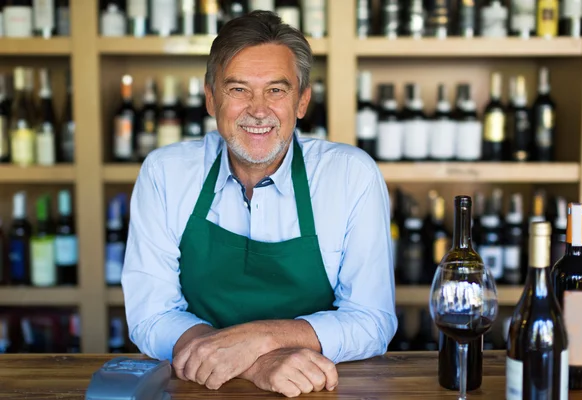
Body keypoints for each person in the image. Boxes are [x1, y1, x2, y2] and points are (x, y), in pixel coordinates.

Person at [121, 10, 397, 398]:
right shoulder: (165, 173)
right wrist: (255, 363)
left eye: (276, 90)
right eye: (238, 90)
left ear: (302, 101)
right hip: (197, 388)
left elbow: (373, 321)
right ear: (210, 98)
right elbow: (151, 315)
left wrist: (261, 336)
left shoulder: (350, 175)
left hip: (314, 389)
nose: (258, 109)